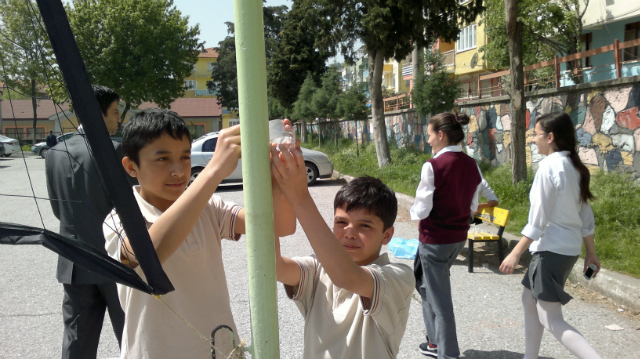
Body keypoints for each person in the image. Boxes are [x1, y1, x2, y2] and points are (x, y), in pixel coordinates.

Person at [103, 109, 296, 358]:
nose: (178, 171)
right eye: (162, 159)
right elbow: (145, 257)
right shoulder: (119, 219)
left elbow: (278, 225)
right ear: (131, 166)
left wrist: (278, 171)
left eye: (185, 157)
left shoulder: (208, 206)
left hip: (220, 350)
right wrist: (213, 171)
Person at [270, 160, 415, 359]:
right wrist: (275, 190)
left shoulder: (398, 277)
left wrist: (299, 196)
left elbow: (345, 276)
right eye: (341, 222)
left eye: (364, 226)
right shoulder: (317, 269)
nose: (349, 233)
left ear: (387, 235)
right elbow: (274, 267)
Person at [499, 112, 602, 359]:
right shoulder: (575, 166)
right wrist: (591, 253)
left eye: (536, 135)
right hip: (566, 250)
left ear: (551, 137)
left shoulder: (549, 167)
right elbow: (586, 217)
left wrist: (515, 253)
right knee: (528, 297)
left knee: (551, 318)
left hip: (550, 251)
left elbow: (538, 221)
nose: (534, 140)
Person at [45, 85, 126, 359]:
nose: (118, 119)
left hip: (73, 262)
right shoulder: (117, 151)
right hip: (117, 262)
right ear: (97, 113)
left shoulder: (54, 152)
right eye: (115, 112)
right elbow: (134, 210)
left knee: (76, 342)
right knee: (133, 338)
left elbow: (58, 210)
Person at [410, 112, 482, 359]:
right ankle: (434, 342)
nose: (428, 140)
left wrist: (410, 212)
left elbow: (422, 208)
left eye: (429, 135)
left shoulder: (433, 166)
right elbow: (473, 205)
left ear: (440, 135)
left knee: (440, 300)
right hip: (457, 238)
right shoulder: (472, 164)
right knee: (424, 285)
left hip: (435, 239)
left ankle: (448, 353)